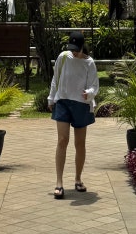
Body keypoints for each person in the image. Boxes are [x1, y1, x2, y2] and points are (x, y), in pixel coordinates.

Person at [47, 29, 99, 200]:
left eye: (77, 49)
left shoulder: (89, 63)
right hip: (63, 102)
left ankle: (78, 179)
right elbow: (55, 79)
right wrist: (51, 98)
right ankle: (59, 183)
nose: (74, 52)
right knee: (62, 140)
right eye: (72, 49)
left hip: (81, 105)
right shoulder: (63, 57)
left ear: (83, 47)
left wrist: (89, 93)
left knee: (80, 143)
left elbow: (95, 86)